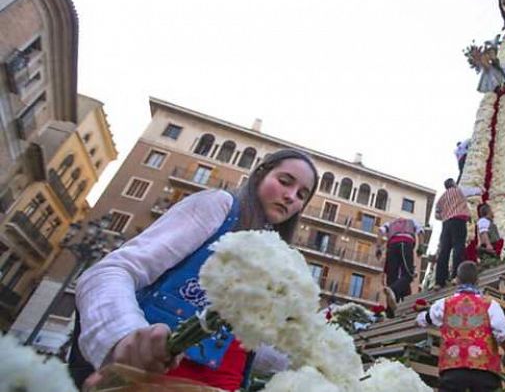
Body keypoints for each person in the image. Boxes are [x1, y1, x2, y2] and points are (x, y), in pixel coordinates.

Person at [72, 150, 319, 391]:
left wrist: (322, 357)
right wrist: (123, 334)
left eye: (301, 195)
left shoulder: (276, 256)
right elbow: (112, 270)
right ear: (260, 175)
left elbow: (242, 341)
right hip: (154, 380)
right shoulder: (219, 205)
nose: (291, 196)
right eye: (285, 182)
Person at [416, 261, 505, 392]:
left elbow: (425, 319)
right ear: (478, 281)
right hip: (485, 372)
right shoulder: (491, 304)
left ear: (457, 280)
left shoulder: (444, 304)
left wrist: (418, 318)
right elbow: (504, 335)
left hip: (452, 371)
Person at [434, 179, 482, 288]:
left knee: (444, 251)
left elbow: (437, 216)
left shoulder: (441, 198)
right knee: (458, 247)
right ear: (454, 184)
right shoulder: (459, 191)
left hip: (446, 224)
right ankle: (456, 276)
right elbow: (476, 191)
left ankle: (439, 281)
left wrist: (446, 214)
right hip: (459, 221)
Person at [377, 217, 423, 317]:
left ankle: (390, 312)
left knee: (392, 277)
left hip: (391, 246)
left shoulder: (390, 223)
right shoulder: (412, 221)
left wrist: (378, 247)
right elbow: (420, 231)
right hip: (405, 243)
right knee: (408, 275)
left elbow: (380, 231)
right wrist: (421, 246)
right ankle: (395, 293)